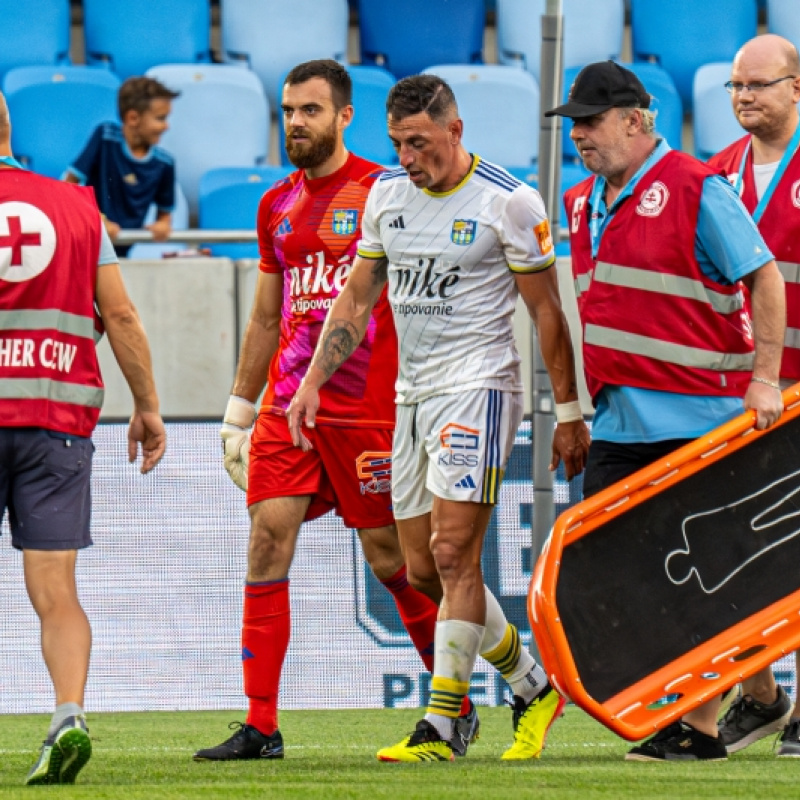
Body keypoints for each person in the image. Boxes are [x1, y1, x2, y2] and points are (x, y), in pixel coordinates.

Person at [288, 73, 591, 763]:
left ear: (455, 132)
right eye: (396, 143)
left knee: (456, 556)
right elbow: (358, 297)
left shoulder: (508, 202)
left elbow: (547, 311)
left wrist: (567, 411)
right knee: (421, 568)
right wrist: (312, 381)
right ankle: (533, 683)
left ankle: (446, 723)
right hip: (412, 396)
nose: (406, 157)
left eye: (419, 143)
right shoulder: (386, 198)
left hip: (479, 389)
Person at [192, 60, 479, 763]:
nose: (295, 122)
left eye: (311, 110)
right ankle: (261, 725)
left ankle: (458, 706)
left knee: (394, 561)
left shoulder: (387, 189)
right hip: (290, 406)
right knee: (267, 538)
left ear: (344, 117)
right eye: (288, 110)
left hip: (369, 406)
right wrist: (238, 410)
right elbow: (267, 318)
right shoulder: (276, 205)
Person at [546, 60, 786, 762]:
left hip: (699, 420)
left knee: (696, 577)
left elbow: (763, 278)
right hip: (618, 421)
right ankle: (766, 700)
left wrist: (764, 380)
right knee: (626, 572)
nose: (580, 136)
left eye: (590, 122)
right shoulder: (581, 200)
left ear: (634, 119)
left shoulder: (696, 186)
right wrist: (577, 411)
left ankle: (699, 728)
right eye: (575, 126)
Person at [0, 91, 167, 785]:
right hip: (56, 421)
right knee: (56, 592)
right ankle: (68, 713)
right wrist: (148, 407)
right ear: (8, 126)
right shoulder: (76, 207)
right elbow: (120, 317)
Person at [702, 34, 800, 758]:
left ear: (796, 87)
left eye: (759, 85)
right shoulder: (715, 172)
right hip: (738, 394)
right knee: (736, 552)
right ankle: (763, 696)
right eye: (737, 86)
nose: (744, 97)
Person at [64, 76, 179, 256]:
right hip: (85, 248)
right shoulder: (105, 137)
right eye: (160, 118)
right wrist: (96, 220)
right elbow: (68, 186)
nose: (167, 126)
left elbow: (164, 216)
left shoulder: (165, 163)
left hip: (120, 254)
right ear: (133, 118)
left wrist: (163, 226)